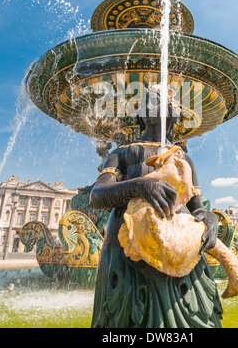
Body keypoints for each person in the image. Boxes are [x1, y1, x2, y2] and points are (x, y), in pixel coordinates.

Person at [89, 86, 223, 328]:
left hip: (183, 254)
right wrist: (140, 186)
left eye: (161, 100)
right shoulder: (122, 153)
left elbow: (197, 209)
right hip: (129, 257)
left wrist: (209, 218)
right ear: (141, 115)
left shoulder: (184, 160)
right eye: (148, 99)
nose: (153, 100)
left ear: (172, 114)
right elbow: (97, 196)